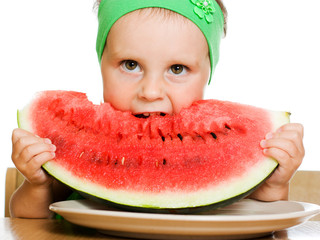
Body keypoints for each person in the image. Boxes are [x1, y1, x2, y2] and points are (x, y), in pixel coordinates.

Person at [10, 0, 304, 218]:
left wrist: (272, 187)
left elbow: (268, 226)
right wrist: (38, 186)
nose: (151, 92)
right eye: (130, 65)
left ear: (207, 74)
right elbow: (28, 222)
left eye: (177, 68)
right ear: (101, 64)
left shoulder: (233, 150)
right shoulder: (71, 149)